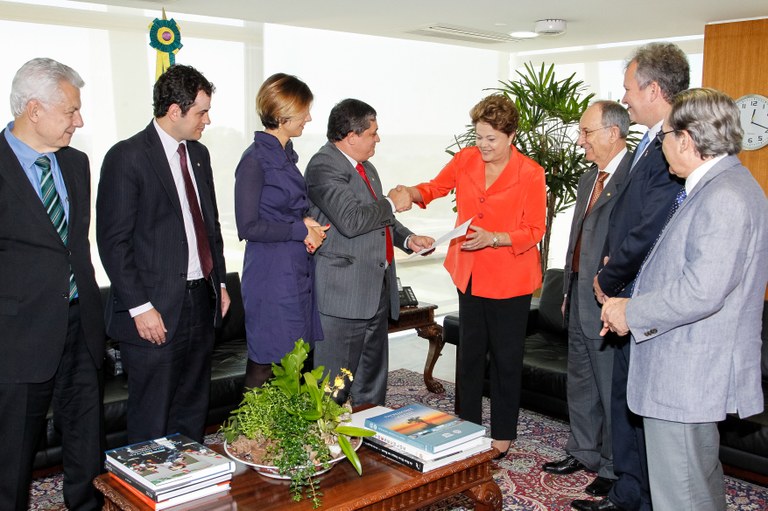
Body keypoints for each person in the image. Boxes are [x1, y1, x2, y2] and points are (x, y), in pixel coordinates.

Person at [600, 87, 768, 511]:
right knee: (695, 483)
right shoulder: (720, 185)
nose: (661, 146)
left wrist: (630, 310)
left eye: (664, 137)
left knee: (681, 493)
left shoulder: (725, 196)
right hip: (685, 370)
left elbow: (701, 291)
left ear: (686, 140)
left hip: (687, 374)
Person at [576, 42, 690, 511]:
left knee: (637, 410)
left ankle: (637, 498)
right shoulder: (651, 141)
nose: (625, 99)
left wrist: (611, 277)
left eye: (628, 89)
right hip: (626, 292)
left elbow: (649, 225)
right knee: (627, 406)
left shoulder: (677, 144)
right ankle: (626, 494)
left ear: (654, 89)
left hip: (642, 295)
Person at [403, 94, 546, 457]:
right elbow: (436, 188)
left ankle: (502, 436)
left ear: (511, 135)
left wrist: (496, 238)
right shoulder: (466, 158)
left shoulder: (530, 173)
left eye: (490, 139)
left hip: (511, 279)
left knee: (505, 359)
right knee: (468, 356)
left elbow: (534, 229)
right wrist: (410, 192)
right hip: (469, 273)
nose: (482, 145)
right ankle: (465, 429)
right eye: (478, 136)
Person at [97, 64, 230, 444]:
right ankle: (145, 496)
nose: (208, 119)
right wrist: (140, 307)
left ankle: (186, 486)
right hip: (154, 308)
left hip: (200, 301)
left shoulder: (199, 155)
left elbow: (212, 228)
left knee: (192, 406)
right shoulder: (128, 157)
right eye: (202, 111)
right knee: (152, 416)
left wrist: (218, 283)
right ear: (175, 111)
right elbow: (113, 242)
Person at [0, 58, 105, 511]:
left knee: (86, 441)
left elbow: (74, 246)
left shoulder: (77, 164)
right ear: (35, 109)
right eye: (71, 111)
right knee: (11, 453)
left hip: (80, 324)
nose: (79, 121)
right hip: (18, 334)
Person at [305, 98, 434, 406]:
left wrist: (408, 239)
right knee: (331, 388)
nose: (378, 138)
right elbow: (352, 221)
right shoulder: (323, 165)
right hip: (343, 295)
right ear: (351, 135)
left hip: (375, 289)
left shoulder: (367, 168)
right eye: (373, 132)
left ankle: (370, 444)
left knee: (371, 381)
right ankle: (325, 450)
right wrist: (390, 201)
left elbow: (380, 217)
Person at [542, 101, 632, 497]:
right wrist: (565, 289)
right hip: (578, 292)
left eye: (587, 133)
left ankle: (613, 466)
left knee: (609, 384)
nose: (580, 141)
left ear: (613, 133)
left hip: (609, 299)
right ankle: (582, 449)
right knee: (580, 379)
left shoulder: (634, 177)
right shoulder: (586, 178)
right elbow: (576, 239)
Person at [234, 73, 327, 389]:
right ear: (284, 113)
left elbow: (286, 210)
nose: (309, 118)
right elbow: (247, 226)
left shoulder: (285, 156)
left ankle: (282, 436)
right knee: (266, 361)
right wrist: (299, 228)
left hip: (294, 270)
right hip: (270, 275)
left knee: (294, 363)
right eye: (304, 112)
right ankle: (249, 436)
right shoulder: (255, 159)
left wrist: (307, 224)